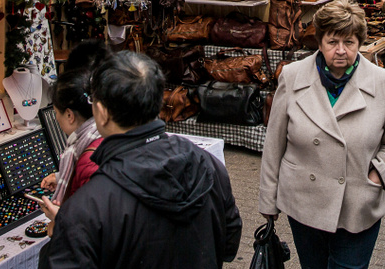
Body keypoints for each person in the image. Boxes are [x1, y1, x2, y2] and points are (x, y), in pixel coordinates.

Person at [40, 52, 242, 269]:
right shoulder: (208, 164)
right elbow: (229, 242)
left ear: (101, 112)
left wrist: (61, 233)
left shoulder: (88, 206)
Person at [259, 1, 385, 269]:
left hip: (358, 202)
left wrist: (378, 174)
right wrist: (268, 198)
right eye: (332, 41)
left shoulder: (382, 82)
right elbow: (274, 142)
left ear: (359, 42)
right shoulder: (292, 76)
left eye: (349, 42)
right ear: (319, 41)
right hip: (305, 202)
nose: (340, 50)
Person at [38, 62, 107, 233]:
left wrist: (60, 218)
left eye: (55, 113)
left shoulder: (86, 156)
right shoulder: (102, 134)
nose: (56, 118)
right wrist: (64, 178)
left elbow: (95, 222)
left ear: (69, 115)